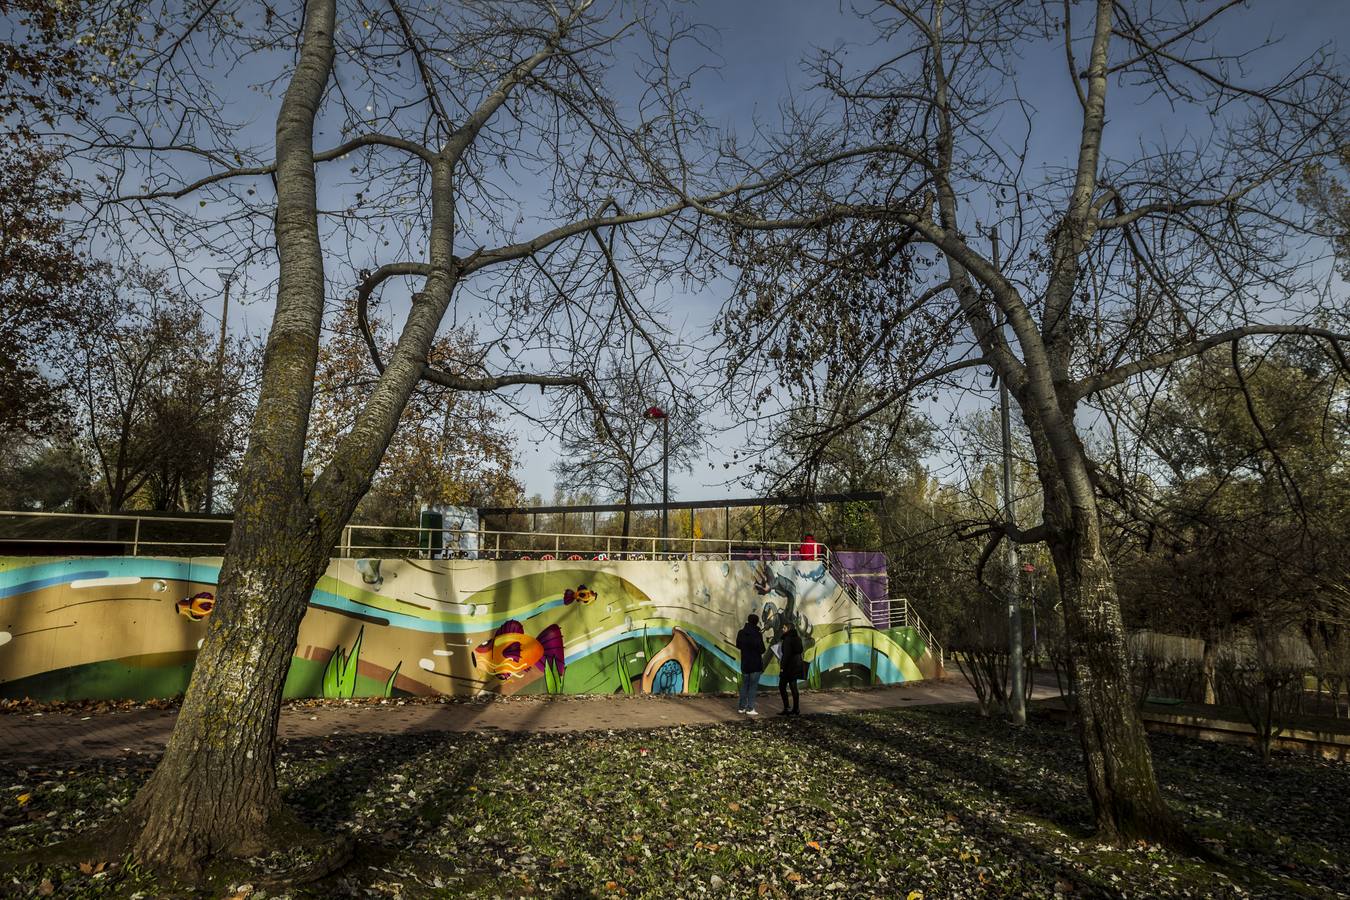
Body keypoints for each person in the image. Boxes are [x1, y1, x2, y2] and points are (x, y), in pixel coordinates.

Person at [735, 614, 766, 715]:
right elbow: (762, 649)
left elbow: (738, 645)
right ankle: (750, 708)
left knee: (745, 685)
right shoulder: (757, 634)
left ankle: (741, 707)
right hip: (755, 664)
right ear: (756, 622)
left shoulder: (741, 632)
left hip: (745, 663)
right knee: (753, 686)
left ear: (748, 620)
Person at [777, 622, 804, 716]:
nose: (782, 629)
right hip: (796, 666)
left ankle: (787, 707)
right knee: (793, 687)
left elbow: (786, 655)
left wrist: (782, 668)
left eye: (784, 628)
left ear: (788, 629)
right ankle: (796, 709)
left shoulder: (787, 639)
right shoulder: (797, 638)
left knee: (781, 686)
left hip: (788, 667)